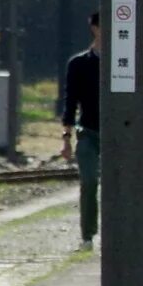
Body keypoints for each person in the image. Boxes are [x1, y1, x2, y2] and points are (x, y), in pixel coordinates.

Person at [57, 15, 101, 247]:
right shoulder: (79, 64)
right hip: (88, 133)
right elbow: (70, 102)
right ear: (95, 28)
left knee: (120, 184)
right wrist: (66, 138)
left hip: (118, 135)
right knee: (90, 181)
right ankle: (88, 235)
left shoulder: (122, 62)